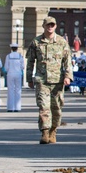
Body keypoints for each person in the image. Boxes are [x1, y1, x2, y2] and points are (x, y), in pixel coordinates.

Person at [26, 15, 73, 144]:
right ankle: (45, 132)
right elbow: (30, 62)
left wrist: (68, 76)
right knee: (43, 106)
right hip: (42, 80)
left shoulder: (62, 42)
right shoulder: (36, 42)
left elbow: (67, 61)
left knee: (56, 107)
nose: (50, 27)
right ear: (44, 26)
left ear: (56, 26)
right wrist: (29, 78)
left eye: (52, 25)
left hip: (58, 81)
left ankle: (53, 130)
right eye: (48, 25)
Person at [5, 43, 25, 112]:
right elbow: (23, 67)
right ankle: (17, 107)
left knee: (10, 90)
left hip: (10, 74)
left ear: (11, 49)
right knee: (18, 90)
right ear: (17, 49)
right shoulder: (20, 56)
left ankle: (10, 108)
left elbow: (6, 67)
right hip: (18, 74)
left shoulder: (8, 56)